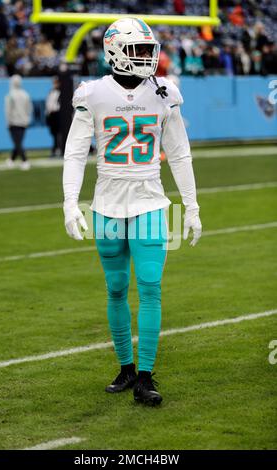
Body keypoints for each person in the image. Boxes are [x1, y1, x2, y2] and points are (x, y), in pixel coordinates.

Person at [62, 18, 202, 406]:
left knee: (151, 287)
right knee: (117, 287)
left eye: (148, 49)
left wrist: (191, 206)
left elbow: (179, 153)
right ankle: (125, 367)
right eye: (138, 49)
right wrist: (70, 201)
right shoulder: (92, 94)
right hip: (106, 205)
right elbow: (75, 151)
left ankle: (145, 376)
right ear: (113, 51)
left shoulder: (164, 92)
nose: (146, 57)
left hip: (151, 203)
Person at [5, 74, 33, 170]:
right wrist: (27, 118)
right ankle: (11, 160)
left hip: (14, 122)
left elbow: (8, 110)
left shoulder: (10, 95)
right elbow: (29, 108)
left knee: (17, 143)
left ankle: (25, 160)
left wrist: (8, 121)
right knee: (18, 142)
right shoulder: (25, 94)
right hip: (24, 122)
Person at [45, 76, 61, 157]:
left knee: (59, 133)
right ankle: (56, 148)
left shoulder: (61, 92)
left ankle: (58, 148)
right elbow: (48, 104)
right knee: (54, 133)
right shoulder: (51, 92)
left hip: (58, 114)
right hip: (52, 115)